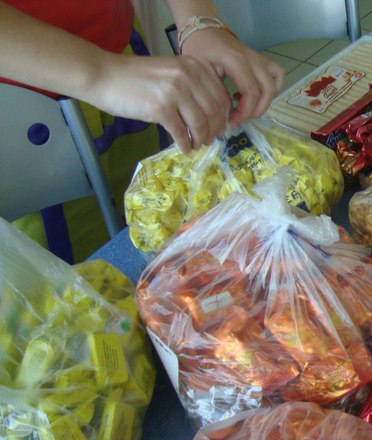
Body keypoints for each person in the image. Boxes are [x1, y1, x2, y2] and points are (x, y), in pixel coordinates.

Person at [0, 0, 285, 261]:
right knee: (84, 277)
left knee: (170, 234)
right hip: (25, 115)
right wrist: (101, 74)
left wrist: (198, 21)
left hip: (127, 68)